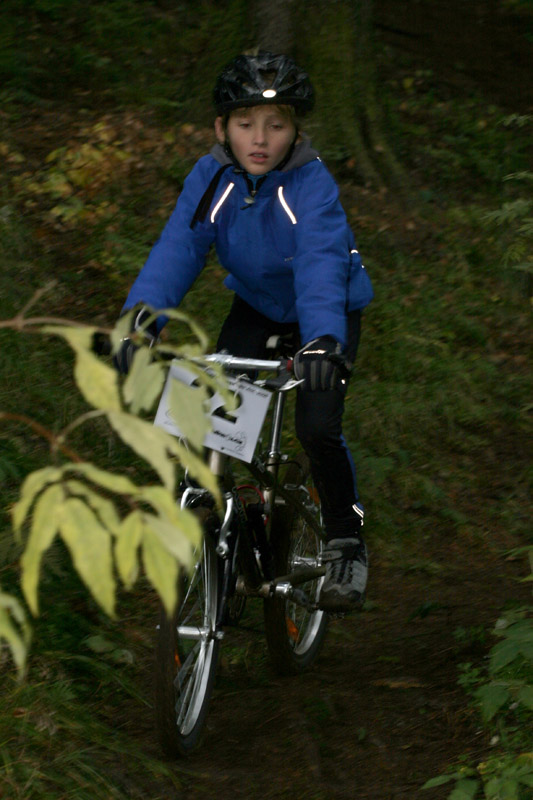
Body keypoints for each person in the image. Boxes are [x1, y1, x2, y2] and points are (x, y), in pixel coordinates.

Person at [116, 52, 373, 612]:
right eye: (245, 124)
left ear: (295, 131)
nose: (260, 139)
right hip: (257, 308)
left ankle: (346, 539)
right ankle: (229, 532)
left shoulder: (311, 183)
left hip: (324, 317)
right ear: (221, 128)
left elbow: (321, 262)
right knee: (210, 422)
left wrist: (323, 340)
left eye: (276, 125)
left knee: (317, 428)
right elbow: (179, 249)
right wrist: (142, 320)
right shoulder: (211, 178)